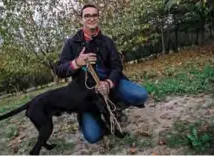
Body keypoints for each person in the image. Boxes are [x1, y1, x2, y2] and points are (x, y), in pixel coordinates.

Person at [54, 4, 148, 144]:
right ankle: (99, 118)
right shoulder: (71, 43)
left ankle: (115, 107)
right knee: (93, 137)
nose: (91, 18)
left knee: (141, 95)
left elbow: (117, 66)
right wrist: (76, 63)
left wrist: (109, 83)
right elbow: (60, 69)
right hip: (87, 95)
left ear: (98, 17)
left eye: (94, 15)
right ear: (81, 20)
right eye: (87, 16)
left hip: (111, 85)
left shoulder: (107, 41)